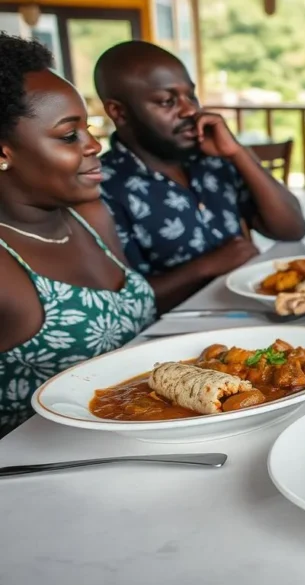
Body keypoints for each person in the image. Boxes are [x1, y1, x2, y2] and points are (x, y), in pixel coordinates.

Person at [0, 34, 156, 438]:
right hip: (50, 479)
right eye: (70, 136)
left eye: (88, 129)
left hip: (155, 440)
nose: (94, 145)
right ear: (3, 152)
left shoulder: (91, 217)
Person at [94, 41, 305, 313]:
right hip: (174, 336)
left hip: (249, 312)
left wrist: (238, 153)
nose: (189, 111)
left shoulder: (212, 160)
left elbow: (292, 229)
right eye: (167, 101)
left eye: (191, 96)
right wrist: (207, 266)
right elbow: (124, 303)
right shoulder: (103, 187)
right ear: (118, 112)